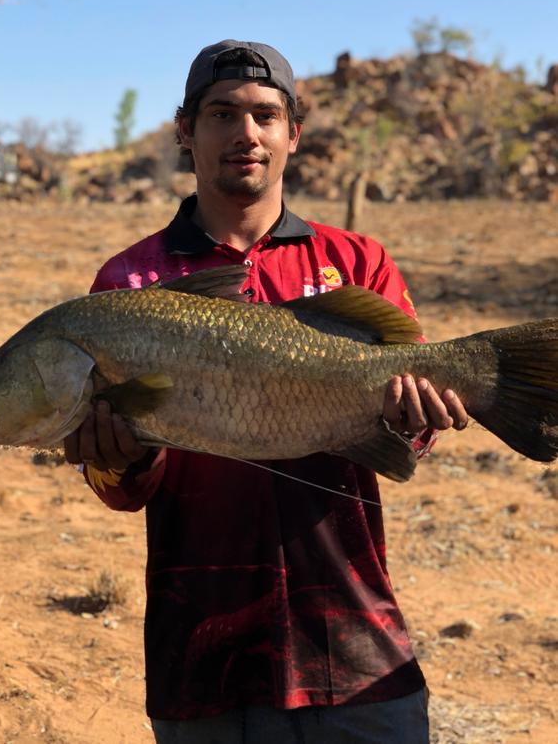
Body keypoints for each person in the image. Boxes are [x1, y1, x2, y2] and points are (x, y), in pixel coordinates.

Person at [64, 40, 468, 743]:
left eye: (264, 115)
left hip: (354, 643)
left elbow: (411, 438)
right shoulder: (130, 283)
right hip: (203, 654)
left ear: (293, 134)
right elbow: (122, 490)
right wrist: (119, 460)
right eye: (222, 114)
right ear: (186, 130)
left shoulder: (356, 262)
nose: (245, 133)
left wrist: (417, 418)